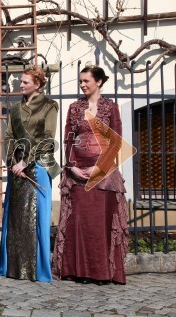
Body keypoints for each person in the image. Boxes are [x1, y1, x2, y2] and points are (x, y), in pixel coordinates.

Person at [52, 65, 129, 285]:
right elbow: (68, 139)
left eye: (86, 81)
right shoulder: (75, 107)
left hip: (102, 173)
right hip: (77, 174)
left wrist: (99, 168)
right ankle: (80, 272)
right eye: (81, 81)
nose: (83, 84)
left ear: (99, 82)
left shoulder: (110, 107)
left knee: (99, 223)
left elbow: (116, 141)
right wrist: (72, 166)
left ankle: (102, 273)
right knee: (80, 222)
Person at [0, 66, 60, 282]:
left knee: (37, 218)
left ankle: (38, 270)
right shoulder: (15, 108)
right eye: (20, 82)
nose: (20, 85)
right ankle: (11, 267)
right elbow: (10, 136)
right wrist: (13, 161)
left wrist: (25, 161)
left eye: (25, 82)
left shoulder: (50, 106)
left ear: (38, 84)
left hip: (38, 166)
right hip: (17, 169)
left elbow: (49, 138)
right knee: (15, 218)